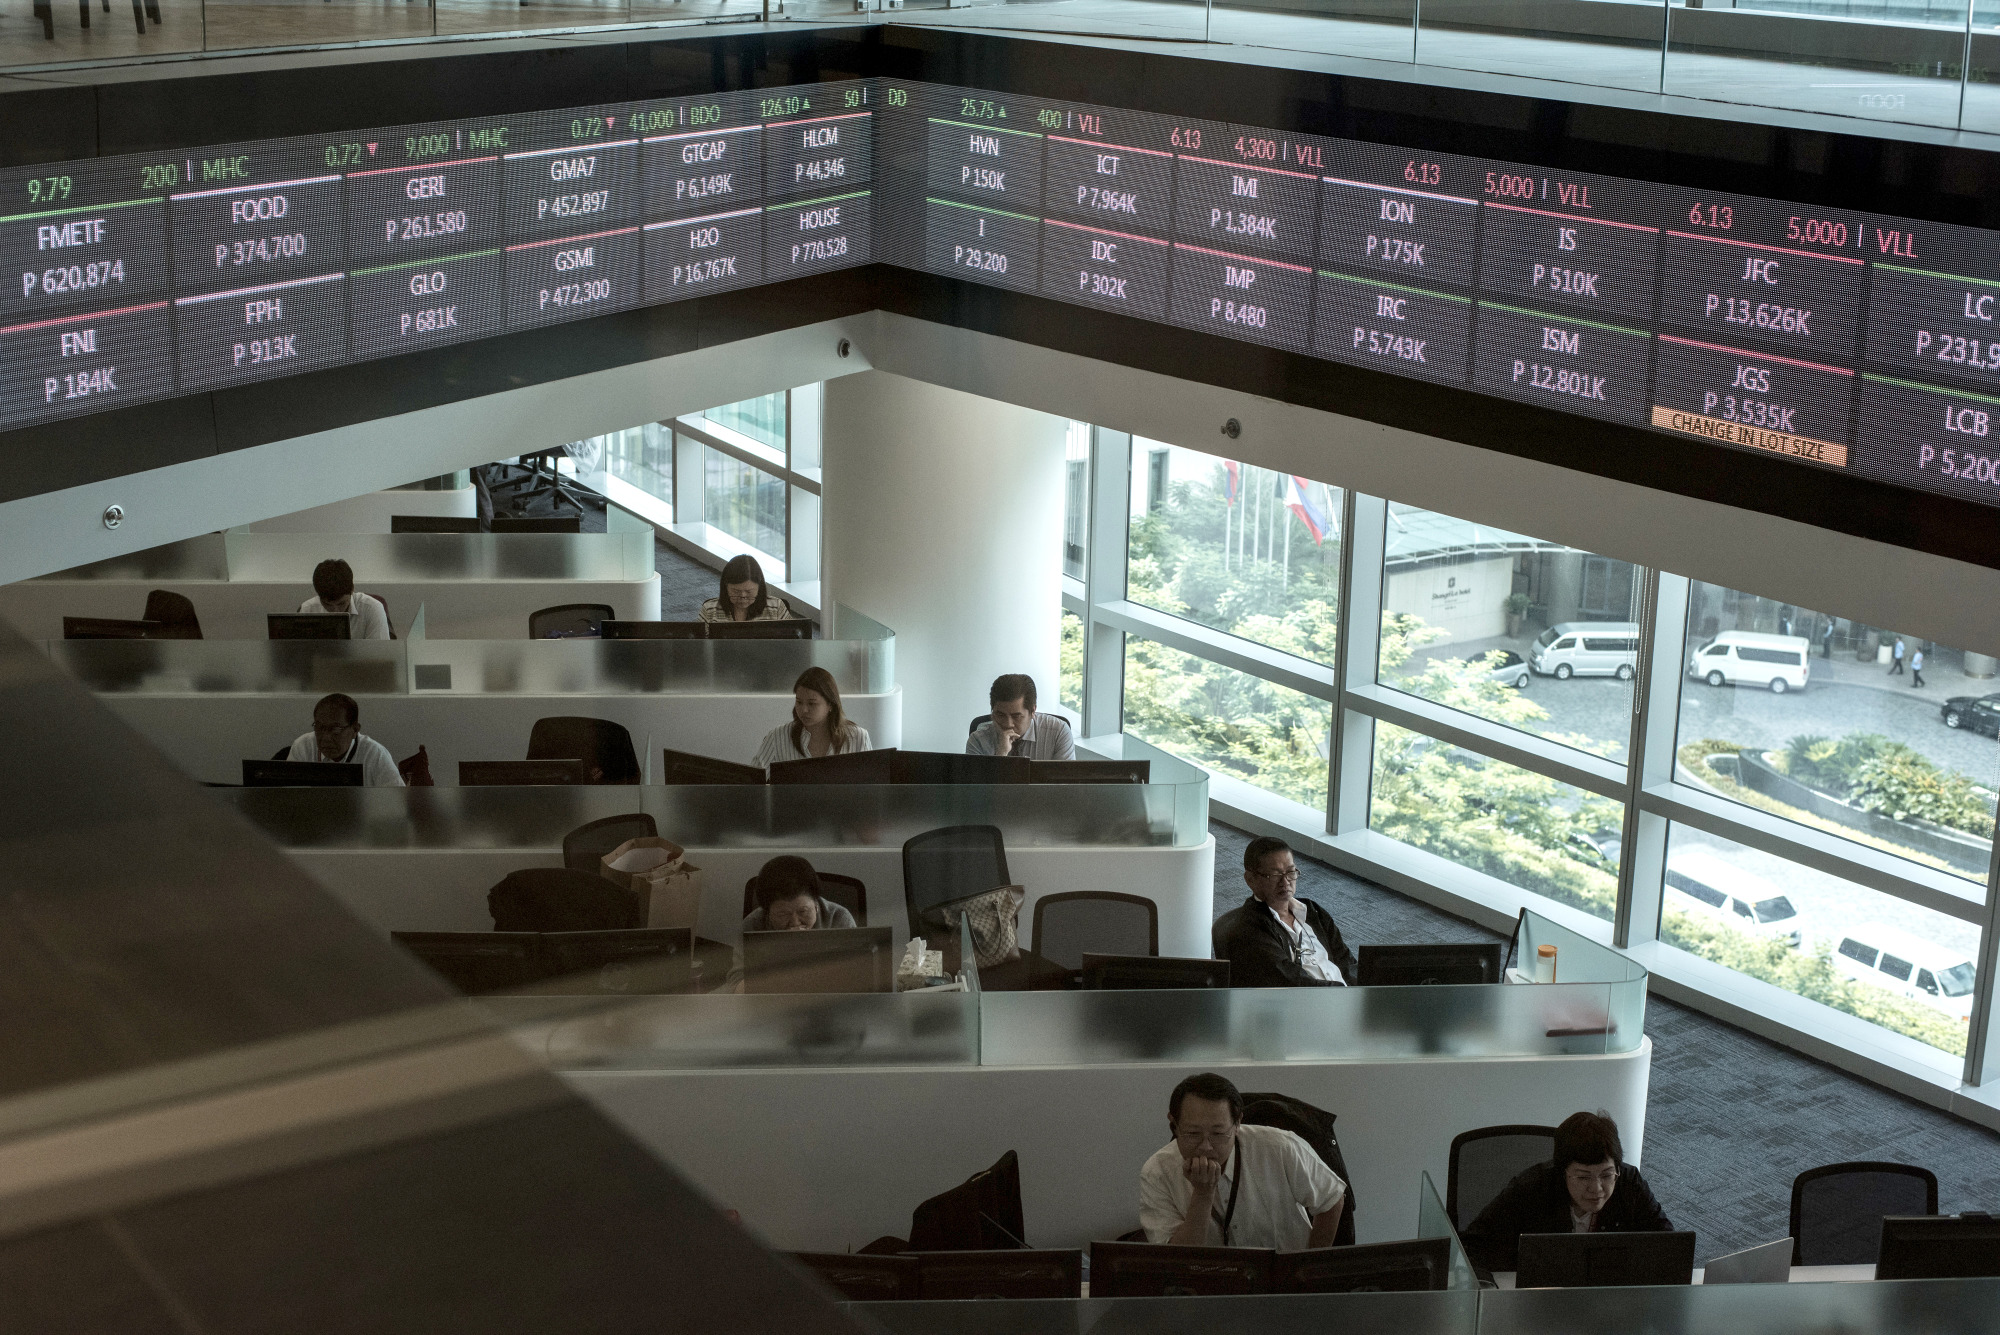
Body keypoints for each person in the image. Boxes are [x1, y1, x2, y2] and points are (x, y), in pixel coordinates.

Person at [1139, 1073, 1346, 1251]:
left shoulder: (1280, 1148)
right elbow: (1178, 1260)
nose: (1205, 1146)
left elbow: (1332, 1199)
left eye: (1218, 1133)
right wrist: (1202, 1194)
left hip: (1282, 1283)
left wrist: (1305, 1269)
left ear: (1237, 1123)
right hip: (1209, 1287)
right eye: (1193, 1133)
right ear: (1174, 1125)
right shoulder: (1157, 1172)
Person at [1461, 1110, 1672, 1275]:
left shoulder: (1629, 1183)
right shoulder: (1531, 1188)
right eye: (1583, 1177)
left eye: (1607, 1175)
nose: (1597, 1189)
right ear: (1562, 1172)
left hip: (1609, 1299)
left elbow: (1668, 1245)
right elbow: (1473, 1245)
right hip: (1542, 1297)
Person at [1212, 837, 1356, 987]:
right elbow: (1291, 981)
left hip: (1344, 996)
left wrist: (1361, 990)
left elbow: (1346, 961)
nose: (1285, 882)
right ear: (1250, 879)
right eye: (1274, 875)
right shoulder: (1249, 928)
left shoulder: (1313, 910)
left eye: (1290, 872)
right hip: (1308, 1004)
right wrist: (1344, 994)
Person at [728, 855, 858, 988]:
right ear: (767, 912)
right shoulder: (753, 924)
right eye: (783, 914)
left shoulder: (838, 918)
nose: (795, 923)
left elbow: (856, 977)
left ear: (816, 904)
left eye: (803, 912)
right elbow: (736, 983)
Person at [754, 667, 872, 768]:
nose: (804, 710)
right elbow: (754, 784)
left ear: (830, 704)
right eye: (799, 702)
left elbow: (871, 788)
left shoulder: (858, 738)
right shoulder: (777, 738)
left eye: (812, 703)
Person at [285, 692, 403, 787]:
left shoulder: (375, 754)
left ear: (355, 730)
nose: (326, 738)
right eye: (319, 728)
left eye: (335, 729)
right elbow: (288, 799)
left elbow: (398, 803)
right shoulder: (303, 747)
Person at [966, 673, 1075, 760]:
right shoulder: (978, 740)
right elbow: (976, 787)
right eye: (1000, 715)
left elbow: (1065, 785)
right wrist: (1000, 755)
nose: (1008, 724)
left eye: (1016, 716)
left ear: (1033, 711)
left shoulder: (1058, 732)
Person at [298, 558, 391, 640]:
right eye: (327, 605)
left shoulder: (372, 608)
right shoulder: (308, 609)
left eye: (341, 604)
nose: (335, 611)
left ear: (352, 590)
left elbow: (380, 655)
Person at [699, 554, 793, 623]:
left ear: (759, 588)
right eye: (736, 591)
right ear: (725, 587)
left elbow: (794, 643)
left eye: (749, 592)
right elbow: (696, 645)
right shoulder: (710, 610)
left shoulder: (776, 608)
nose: (742, 596)